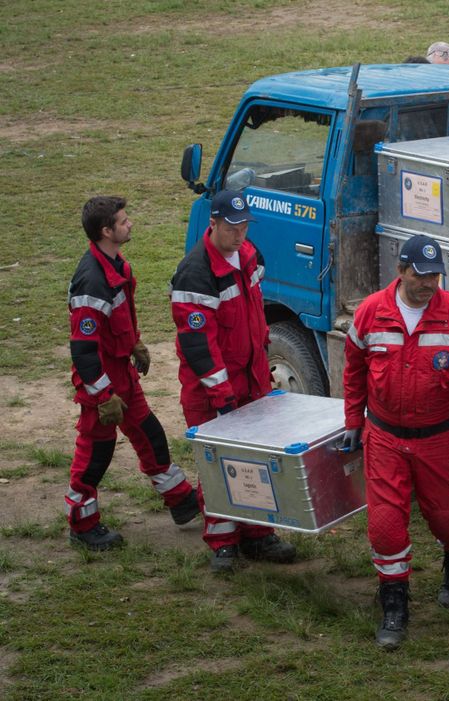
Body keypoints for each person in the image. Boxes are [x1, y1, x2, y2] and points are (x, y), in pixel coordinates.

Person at [340, 233, 449, 649]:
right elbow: (353, 370)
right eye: (420, 275)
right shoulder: (370, 314)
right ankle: (394, 605)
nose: (428, 283)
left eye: (435, 275)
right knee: (385, 526)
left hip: (439, 439)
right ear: (400, 271)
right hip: (384, 437)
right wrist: (352, 421)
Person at [169, 190, 296, 572]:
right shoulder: (195, 273)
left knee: (256, 460)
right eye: (231, 227)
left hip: (253, 383)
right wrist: (222, 396)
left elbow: (254, 313)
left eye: (244, 226)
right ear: (213, 224)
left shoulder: (248, 256)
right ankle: (223, 541)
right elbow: (198, 347)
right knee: (218, 463)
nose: (239, 234)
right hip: (212, 393)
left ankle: (258, 535)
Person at [64, 196, 200, 551]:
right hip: (102, 382)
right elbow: (83, 349)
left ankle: (181, 500)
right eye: (124, 221)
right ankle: (82, 523)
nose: (131, 224)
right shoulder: (91, 282)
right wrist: (102, 395)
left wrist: (134, 343)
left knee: (150, 434)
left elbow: (119, 318)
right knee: (96, 453)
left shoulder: (115, 266)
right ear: (106, 231)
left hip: (121, 371)